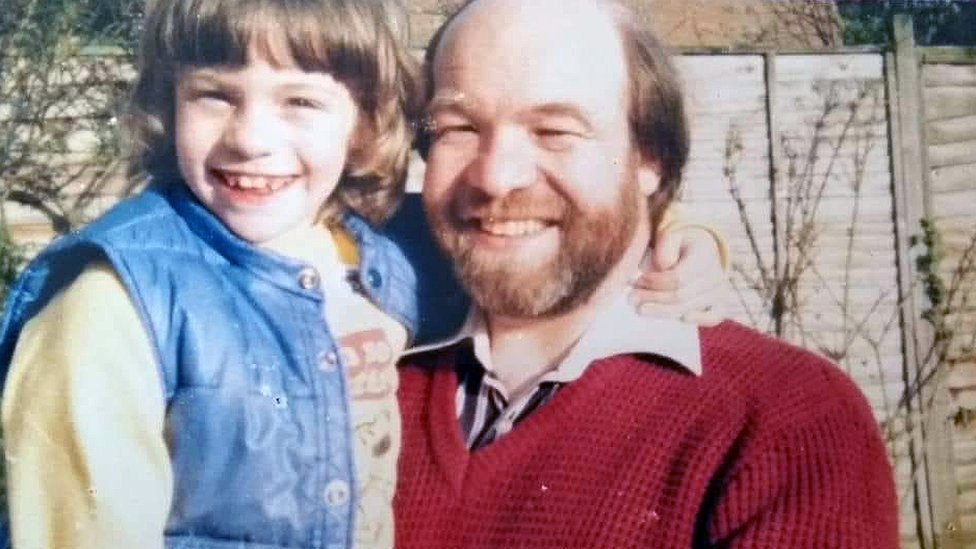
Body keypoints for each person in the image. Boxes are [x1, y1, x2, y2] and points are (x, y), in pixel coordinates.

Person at [0, 0, 727, 548]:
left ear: (365, 121)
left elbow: (533, 223)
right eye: (215, 94)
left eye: (301, 103)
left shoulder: (384, 251)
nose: (252, 138)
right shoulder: (109, 304)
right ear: (168, 104)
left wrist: (680, 234)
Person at [394, 0, 900, 547]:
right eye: (459, 128)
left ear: (650, 157)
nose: (495, 176)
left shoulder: (783, 421)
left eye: (554, 131)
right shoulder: (354, 372)